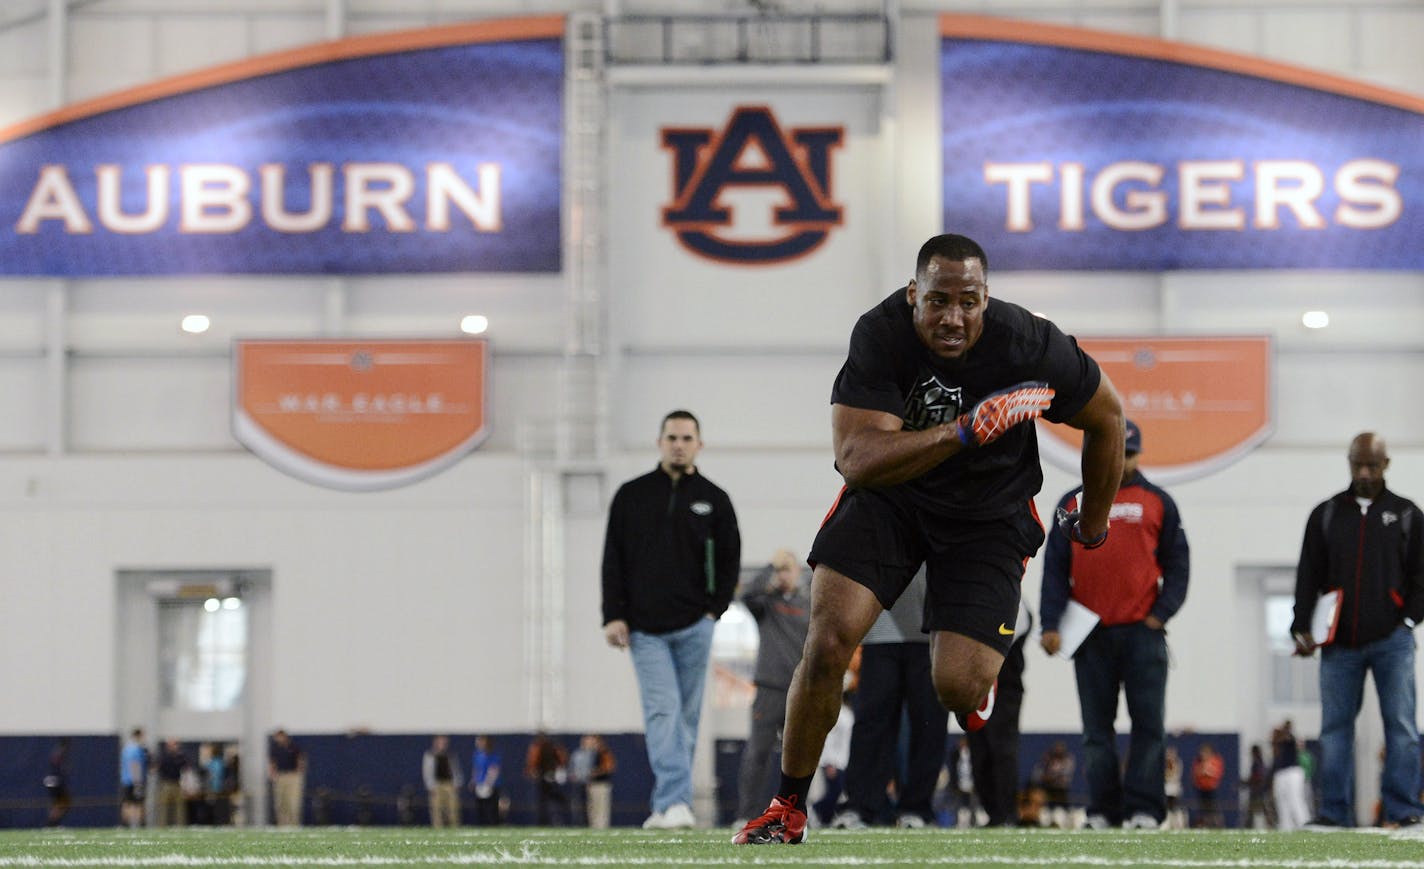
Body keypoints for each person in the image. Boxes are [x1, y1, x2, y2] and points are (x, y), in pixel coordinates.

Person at [734, 232, 1125, 845]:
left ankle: (978, 682)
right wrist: (962, 432)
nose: (953, 318)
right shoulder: (880, 334)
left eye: (968, 302)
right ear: (914, 294)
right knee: (829, 639)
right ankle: (786, 806)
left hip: (988, 514)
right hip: (892, 495)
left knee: (955, 688)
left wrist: (1095, 524)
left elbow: (1108, 417)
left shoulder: (1028, 341)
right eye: (938, 301)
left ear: (986, 298)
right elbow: (857, 458)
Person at [1040, 419, 1189, 831]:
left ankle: (1144, 810)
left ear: (1138, 455)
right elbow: (1055, 569)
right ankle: (1103, 810)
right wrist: (1049, 624)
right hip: (1090, 636)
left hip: (1144, 633)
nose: (1121, 461)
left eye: (1129, 453)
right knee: (1095, 733)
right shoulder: (1072, 503)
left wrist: (1161, 613)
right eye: (1114, 451)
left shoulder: (1159, 501)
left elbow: (1178, 564)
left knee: (1149, 727)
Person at [602, 409, 742, 830]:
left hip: (695, 626)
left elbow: (732, 558)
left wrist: (713, 610)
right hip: (645, 629)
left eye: (686, 438)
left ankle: (666, 805)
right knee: (663, 711)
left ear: (699, 444)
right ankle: (676, 800)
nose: (678, 444)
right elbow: (613, 559)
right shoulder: (631, 495)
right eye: (671, 437)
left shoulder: (715, 499)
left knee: (686, 718)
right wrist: (613, 614)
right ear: (659, 442)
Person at [1291, 432, 1424, 829]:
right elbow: (1307, 575)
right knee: (1334, 731)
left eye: (1372, 465)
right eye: (1357, 464)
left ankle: (1403, 810)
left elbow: (1422, 578)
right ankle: (1333, 814)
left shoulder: (1407, 515)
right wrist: (1301, 624)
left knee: (1401, 728)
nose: (1364, 472)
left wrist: (1407, 621)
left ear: (1386, 465)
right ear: (1349, 463)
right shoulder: (1326, 514)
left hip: (1393, 643)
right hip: (1339, 648)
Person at [828, 570, 946, 830]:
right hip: (880, 631)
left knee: (929, 724)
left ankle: (917, 809)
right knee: (871, 724)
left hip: (932, 632)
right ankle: (859, 806)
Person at [733, 550, 811, 825]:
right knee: (758, 754)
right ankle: (746, 814)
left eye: (787, 569)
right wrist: (769, 567)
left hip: (800, 692)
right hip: (769, 689)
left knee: (801, 758)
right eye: (779, 570)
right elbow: (745, 596)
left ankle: (796, 814)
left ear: (798, 572)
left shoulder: (808, 604)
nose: (783, 574)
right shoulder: (766, 604)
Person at [968, 600, 1031, 827]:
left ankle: (1007, 814)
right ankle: (994, 814)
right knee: (980, 753)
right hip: (975, 688)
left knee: (1002, 750)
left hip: (1005, 690)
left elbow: (1009, 633)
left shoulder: (1016, 603)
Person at [570, 734, 618, 828]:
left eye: (593, 741)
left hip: (602, 784)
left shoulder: (603, 752)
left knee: (601, 808)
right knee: (592, 808)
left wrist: (596, 772)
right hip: (591, 784)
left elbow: (609, 767)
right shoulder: (590, 753)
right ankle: (593, 826)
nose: (591, 743)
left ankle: (602, 827)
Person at [1271, 720, 1310, 831]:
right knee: (1281, 800)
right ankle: (1286, 826)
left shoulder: (1289, 739)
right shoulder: (1276, 745)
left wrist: (1282, 731)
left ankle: (1304, 823)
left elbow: (1287, 738)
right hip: (1281, 773)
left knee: (1295, 798)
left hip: (1293, 772)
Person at [525, 731, 571, 826]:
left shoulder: (552, 747)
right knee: (544, 801)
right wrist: (532, 771)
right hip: (543, 776)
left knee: (550, 799)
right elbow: (532, 762)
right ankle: (544, 822)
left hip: (551, 776)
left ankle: (553, 820)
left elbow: (562, 760)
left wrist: (559, 771)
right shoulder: (538, 747)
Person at [422, 734, 463, 828]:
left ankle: (454, 827)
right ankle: (438, 828)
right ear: (436, 743)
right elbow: (427, 771)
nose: (443, 744)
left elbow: (456, 769)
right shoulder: (430, 755)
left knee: (453, 808)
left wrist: (457, 783)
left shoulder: (450, 755)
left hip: (449, 784)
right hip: (437, 785)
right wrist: (430, 785)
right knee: (437, 809)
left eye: (445, 742)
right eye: (441, 742)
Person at [268, 728, 305, 826]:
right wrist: (273, 774)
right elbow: (272, 762)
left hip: (292, 776)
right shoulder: (275, 748)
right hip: (280, 776)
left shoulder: (293, 747)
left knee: (292, 802)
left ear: (283, 736)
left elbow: (300, 760)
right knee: (280, 802)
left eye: (278, 737)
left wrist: (298, 773)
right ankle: (282, 824)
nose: (277, 739)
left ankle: (294, 824)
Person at [468, 735, 503, 826]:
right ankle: (482, 826)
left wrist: (488, 784)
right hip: (479, 785)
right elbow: (476, 769)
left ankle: (494, 826)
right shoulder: (477, 754)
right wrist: (473, 781)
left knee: (491, 809)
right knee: (481, 810)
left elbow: (494, 770)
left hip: (492, 786)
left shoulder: (493, 755)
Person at [154, 738, 189, 827]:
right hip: (166, 783)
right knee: (163, 807)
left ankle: (180, 826)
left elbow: (186, 768)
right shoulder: (163, 757)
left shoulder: (180, 756)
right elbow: (157, 768)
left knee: (179, 807)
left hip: (177, 783)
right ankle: (161, 826)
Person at [119, 727, 149, 828]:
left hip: (125, 780)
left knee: (127, 803)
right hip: (135, 780)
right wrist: (137, 782)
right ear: (138, 736)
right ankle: (138, 824)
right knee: (138, 803)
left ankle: (125, 824)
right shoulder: (136, 749)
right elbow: (135, 765)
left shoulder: (126, 748)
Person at [1191, 742, 1224, 828]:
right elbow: (1195, 773)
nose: (1203, 754)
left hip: (1211, 788)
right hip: (1201, 788)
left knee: (1213, 808)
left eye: (1205, 752)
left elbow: (1217, 773)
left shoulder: (1215, 760)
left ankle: (1217, 824)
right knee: (1202, 809)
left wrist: (1207, 771)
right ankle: (1204, 824)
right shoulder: (1198, 761)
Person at [44, 737, 71, 827]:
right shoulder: (59, 752)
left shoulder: (59, 752)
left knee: (61, 803)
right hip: (55, 780)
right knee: (62, 803)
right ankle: (51, 823)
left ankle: (52, 823)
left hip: (53, 780)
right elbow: (56, 763)